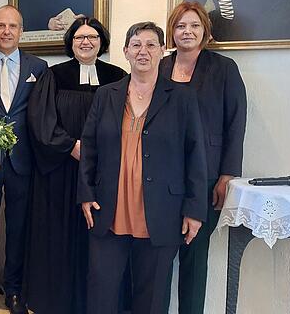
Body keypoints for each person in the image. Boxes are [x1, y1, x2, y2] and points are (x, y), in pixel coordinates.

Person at [77, 22, 207, 314]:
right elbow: (89, 147)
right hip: (109, 208)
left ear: (163, 51)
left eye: (151, 45)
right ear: (125, 52)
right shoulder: (106, 94)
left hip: (161, 211)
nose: (143, 51)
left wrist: (194, 210)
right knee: (101, 291)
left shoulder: (182, 98)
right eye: (136, 45)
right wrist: (85, 193)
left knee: (152, 298)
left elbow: (195, 155)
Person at [25, 16, 126, 313]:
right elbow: (41, 121)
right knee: (59, 238)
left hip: (102, 173)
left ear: (101, 42)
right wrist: (71, 146)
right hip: (62, 171)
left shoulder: (118, 76)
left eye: (92, 37)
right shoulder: (54, 76)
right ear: (70, 42)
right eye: (80, 37)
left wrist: (97, 155)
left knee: (99, 238)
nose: (86, 42)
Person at [160, 1, 247, 314]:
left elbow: (236, 123)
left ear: (205, 32)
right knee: (156, 256)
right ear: (172, 31)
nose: (187, 31)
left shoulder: (224, 68)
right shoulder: (160, 66)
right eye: (181, 26)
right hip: (162, 177)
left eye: (194, 26)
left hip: (206, 176)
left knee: (195, 257)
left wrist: (227, 174)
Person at [0, 5, 47, 314]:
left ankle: (13, 289)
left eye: (12, 26)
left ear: (21, 31)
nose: (6, 31)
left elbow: (40, 115)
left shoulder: (38, 67)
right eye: (0, 25)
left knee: (18, 228)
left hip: (22, 161)